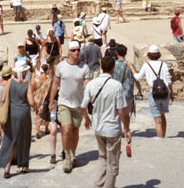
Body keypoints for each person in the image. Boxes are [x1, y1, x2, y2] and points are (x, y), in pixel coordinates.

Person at [81, 56, 131, 188]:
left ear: (101, 67)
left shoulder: (91, 84)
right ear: (113, 68)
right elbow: (121, 111)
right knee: (113, 164)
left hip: (98, 128)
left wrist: (87, 119)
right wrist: (127, 129)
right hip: (112, 129)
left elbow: (83, 106)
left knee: (102, 158)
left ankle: (98, 185)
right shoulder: (116, 85)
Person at [49, 40, 90, 173]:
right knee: (66, 129)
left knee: (75, 131)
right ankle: (67, 157)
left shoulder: (85, 67)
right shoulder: (61, 66)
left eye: (78, 49)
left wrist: (88, 103)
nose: (76, 52)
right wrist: (51, 102)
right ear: (68, 52)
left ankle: (73, 154)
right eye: (73, 50)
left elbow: (88, 86)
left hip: (78, 104)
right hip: (64, 103)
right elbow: (55, 84)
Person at [0, 61, 37, 178]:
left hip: (12, 113)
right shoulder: (27, 84)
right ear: (24, 72)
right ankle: (24, 166)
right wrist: (36, 107)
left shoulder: (10, 82)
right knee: (24, 139)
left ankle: (7, 167)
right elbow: (31, 101)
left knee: (10, 139)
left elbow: (3, 98)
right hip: (24, 113)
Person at [131, 45, 173, 138]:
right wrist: (172, 93)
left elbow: (137, 77)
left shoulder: (147, 65)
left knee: (157, 119)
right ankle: (163, 136)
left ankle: (160, 139)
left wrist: (132, 68)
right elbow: (169, 81)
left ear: (149, 55)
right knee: (162, 116)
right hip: (165, 92)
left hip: (154, 93)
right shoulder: (164, 64)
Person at [113, 44, 142, 118]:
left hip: (115, 94)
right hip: (128, 94)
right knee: (126, 115)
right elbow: (136, 79)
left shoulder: (113, 65)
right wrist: (139, 90)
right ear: (125, 53)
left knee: (116, 115)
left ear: (116, 52)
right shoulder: (130, 65)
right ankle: (126, 129)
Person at [32, 63, 51, 138]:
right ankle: (46, 128)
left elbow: (32, 89)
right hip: (45, 98)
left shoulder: (36, 79)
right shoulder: (49, 80)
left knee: (37, 114)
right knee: (46, 113)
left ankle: (37, 130)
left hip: (37, 98)